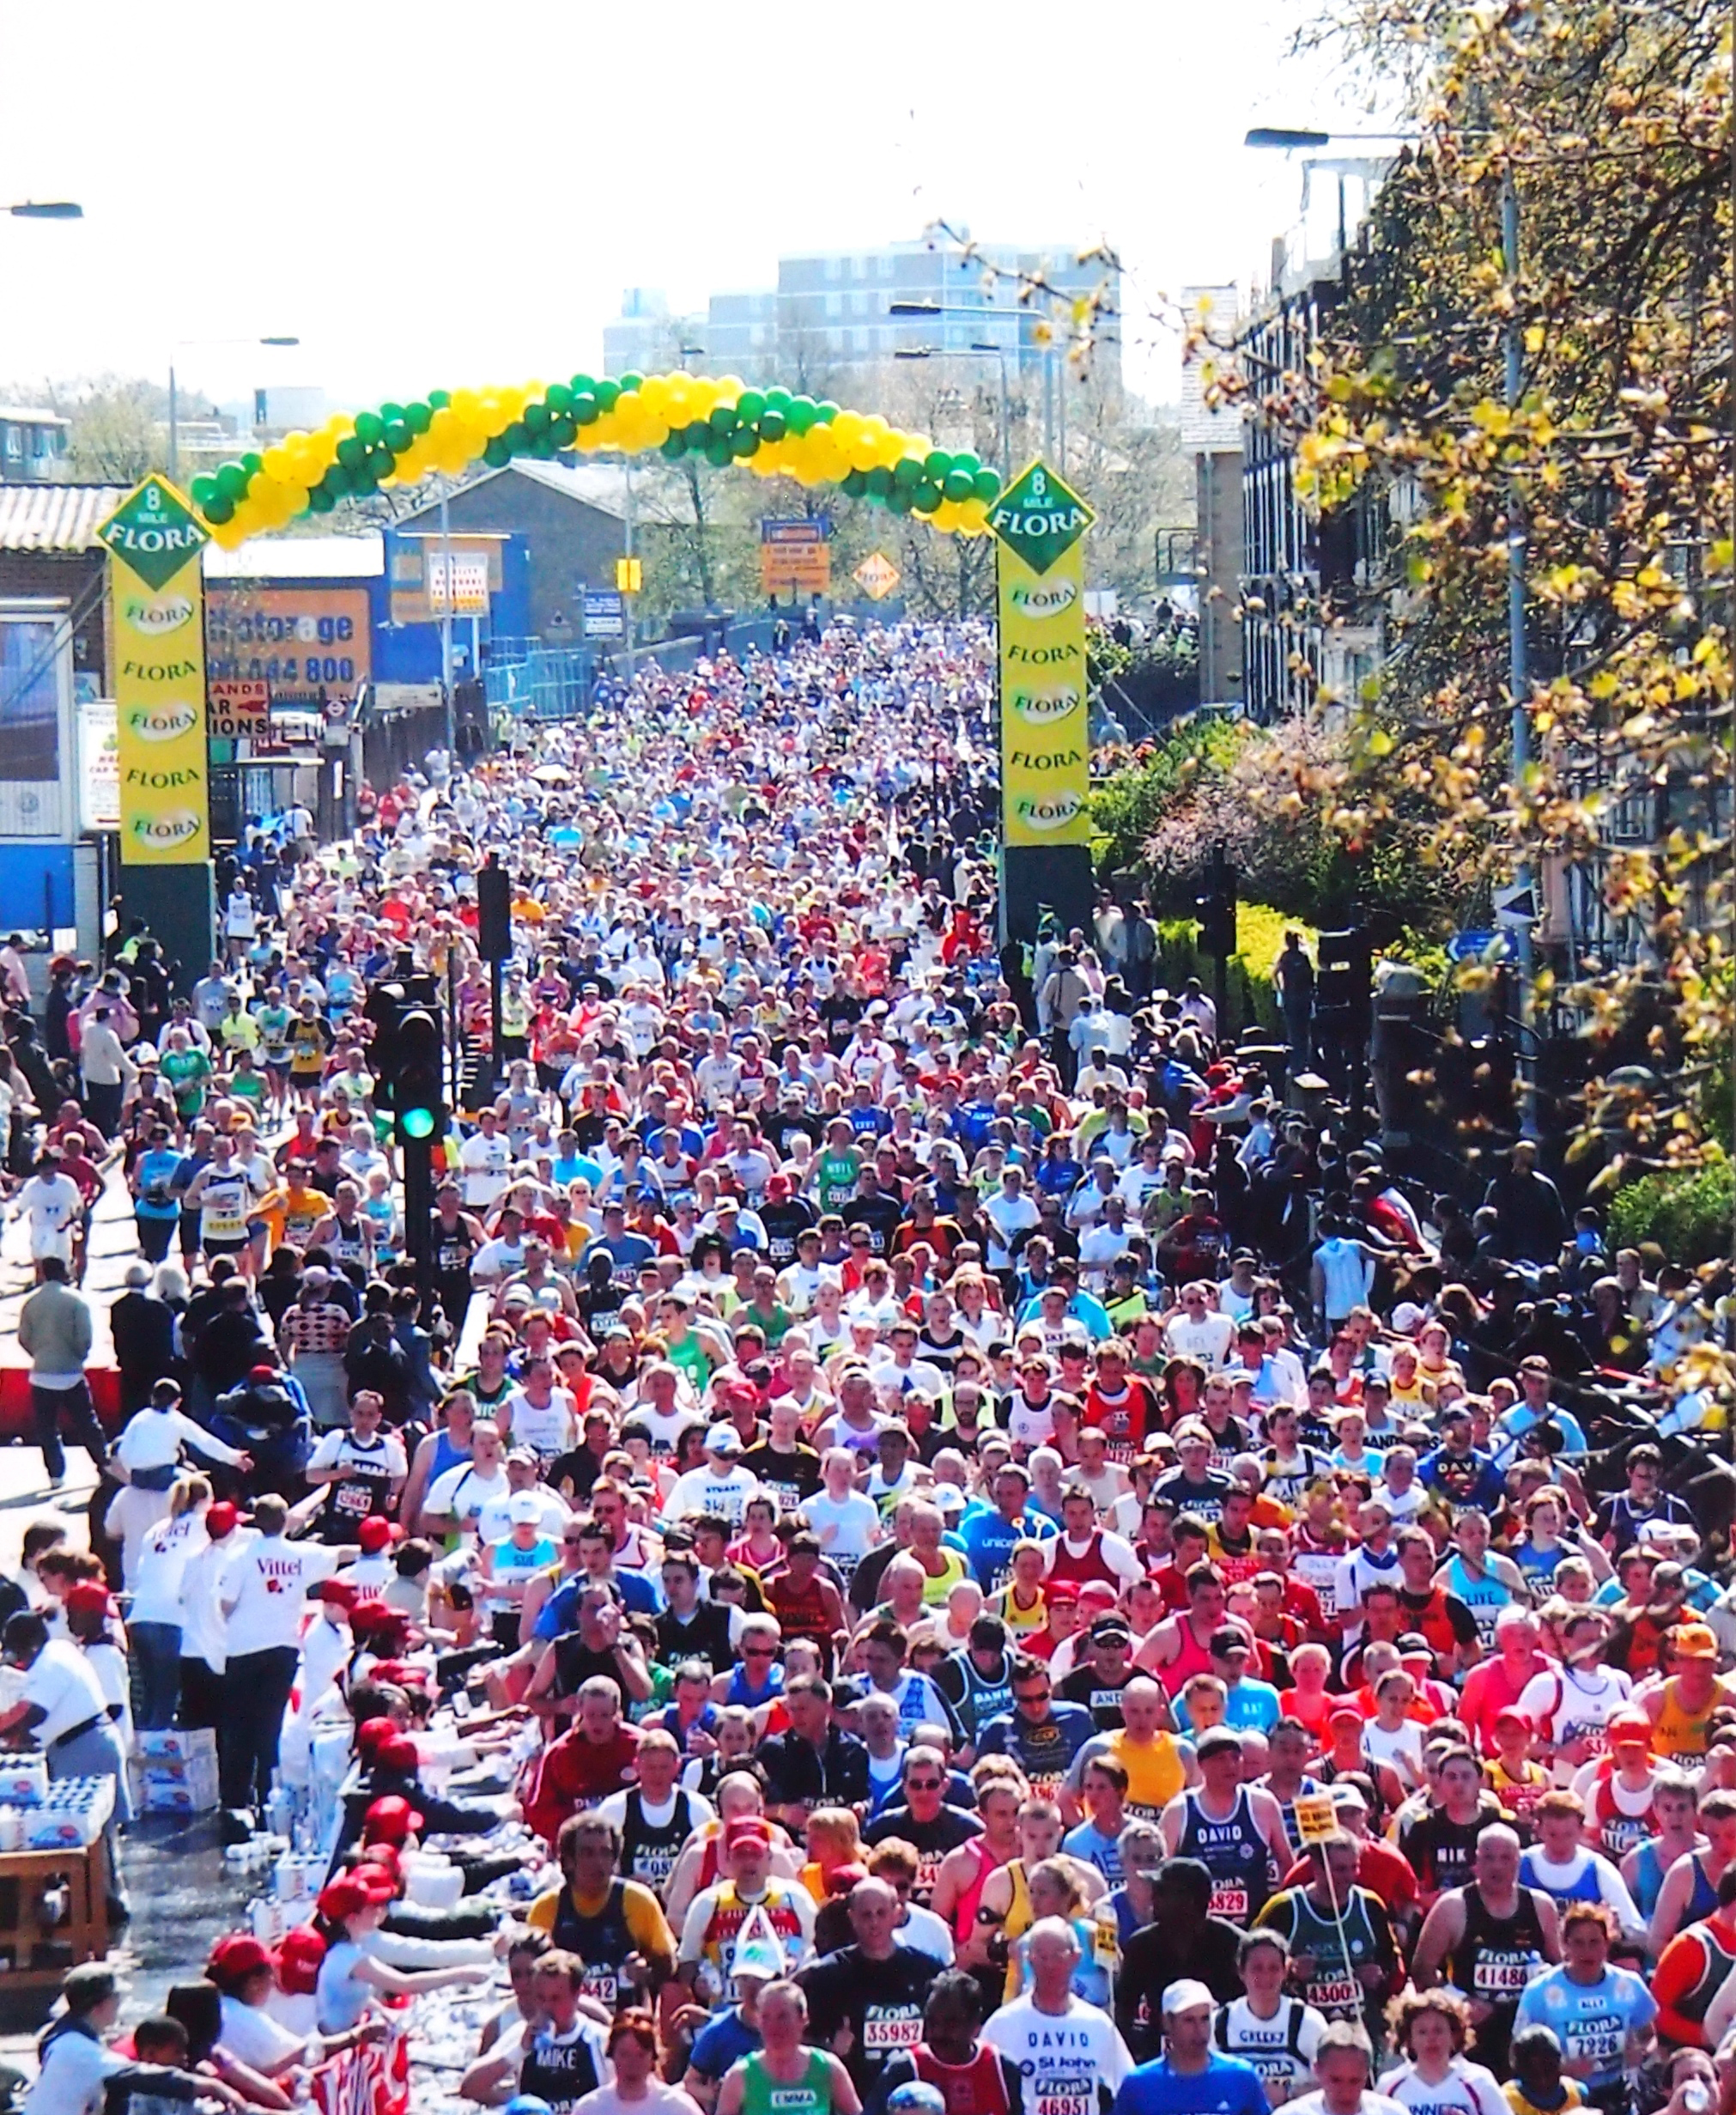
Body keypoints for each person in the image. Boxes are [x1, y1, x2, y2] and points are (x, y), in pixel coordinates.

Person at [795, 1875, 938, 2095]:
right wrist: (829, 2048)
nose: (874, 1923)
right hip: (854, 2097)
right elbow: (800, 2042)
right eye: (866, 1915)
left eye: (881, 1913)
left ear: (897, 1914)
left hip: (916, 2097)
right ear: (852, 1918)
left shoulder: (927, 1972)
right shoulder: (827, 1975)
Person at [525, 1810, 679, 2010]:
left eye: (605, 1853)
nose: (598, 1863)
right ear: (569, 1860)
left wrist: (646, 1971)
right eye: (587, 1853)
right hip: (566, 2021)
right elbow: (527, 1978)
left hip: (626, 2022)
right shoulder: (546, 1908)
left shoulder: (638, 1900)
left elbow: (668, 1966)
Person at [980, 1916, 1133, 2115]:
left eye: (1058, 1956)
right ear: (1029, 1959)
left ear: (1075, 1958)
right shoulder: (1002, 2025)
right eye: (1042, 1957)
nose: (1050, 1965)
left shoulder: (1099, 2025)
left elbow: (1127, 2087)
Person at [1512, 1904, 1655, 2108]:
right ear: (1565, 1945)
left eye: (1594, 1942)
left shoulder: (1629, 1984)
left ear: (1607, 1944)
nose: (1587, 1952)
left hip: (1618, 2093)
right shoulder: (1539, 1992)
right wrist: (1560, 2070)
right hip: (1561, 2098)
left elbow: (1650, 2036)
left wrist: (1641, 2053)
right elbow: (1518, 2057)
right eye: (1578, 1943)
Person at [1110, 1977, 1267, 2115]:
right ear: (1167, 2022)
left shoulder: (1241, 2077)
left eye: (1205, 2019)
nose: (1199, 2030)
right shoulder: (1139, 2085)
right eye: (1189, 2020)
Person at [1213, 1932, 1329, 2111]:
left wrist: (1288, 2093)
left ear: (1285, 1972)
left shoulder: (1308, 2022)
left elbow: (1335, 2083)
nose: (1265, 1976)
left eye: (1273, 1968)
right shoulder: (1221, 2022)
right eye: (1257, 1968)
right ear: (1241, 1971)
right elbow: (1200, 2079)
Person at [714, 1978, 860, 2115]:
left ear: (803, 2019)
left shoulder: (828, 2068)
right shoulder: (740, 2076)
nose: (773, 2027)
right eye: (766, 2017)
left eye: (782, 2017)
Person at [19, 1255, 102, 1487]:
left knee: (47, 1428)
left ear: (43, 1273)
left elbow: (23, 1338)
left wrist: (39, 1354)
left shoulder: (31, 1302)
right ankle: (103, 1465)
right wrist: (77, 1357)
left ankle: (56, 1474)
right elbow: (85, 1339)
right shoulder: (77, 1301)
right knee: (87, 1423)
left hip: (42, 1374)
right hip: (71, 1373)